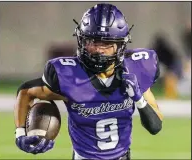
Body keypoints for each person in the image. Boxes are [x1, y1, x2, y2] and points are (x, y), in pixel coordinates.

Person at [14, 3, 163, 160]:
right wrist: (20, 133)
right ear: (81, 41)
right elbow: (26, 91)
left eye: (106, 43)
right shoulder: (69, 76)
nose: (99, 50)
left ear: (120, 45)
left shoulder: (136, 71)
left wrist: (138, 98)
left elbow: (155, 127)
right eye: (92, 42)